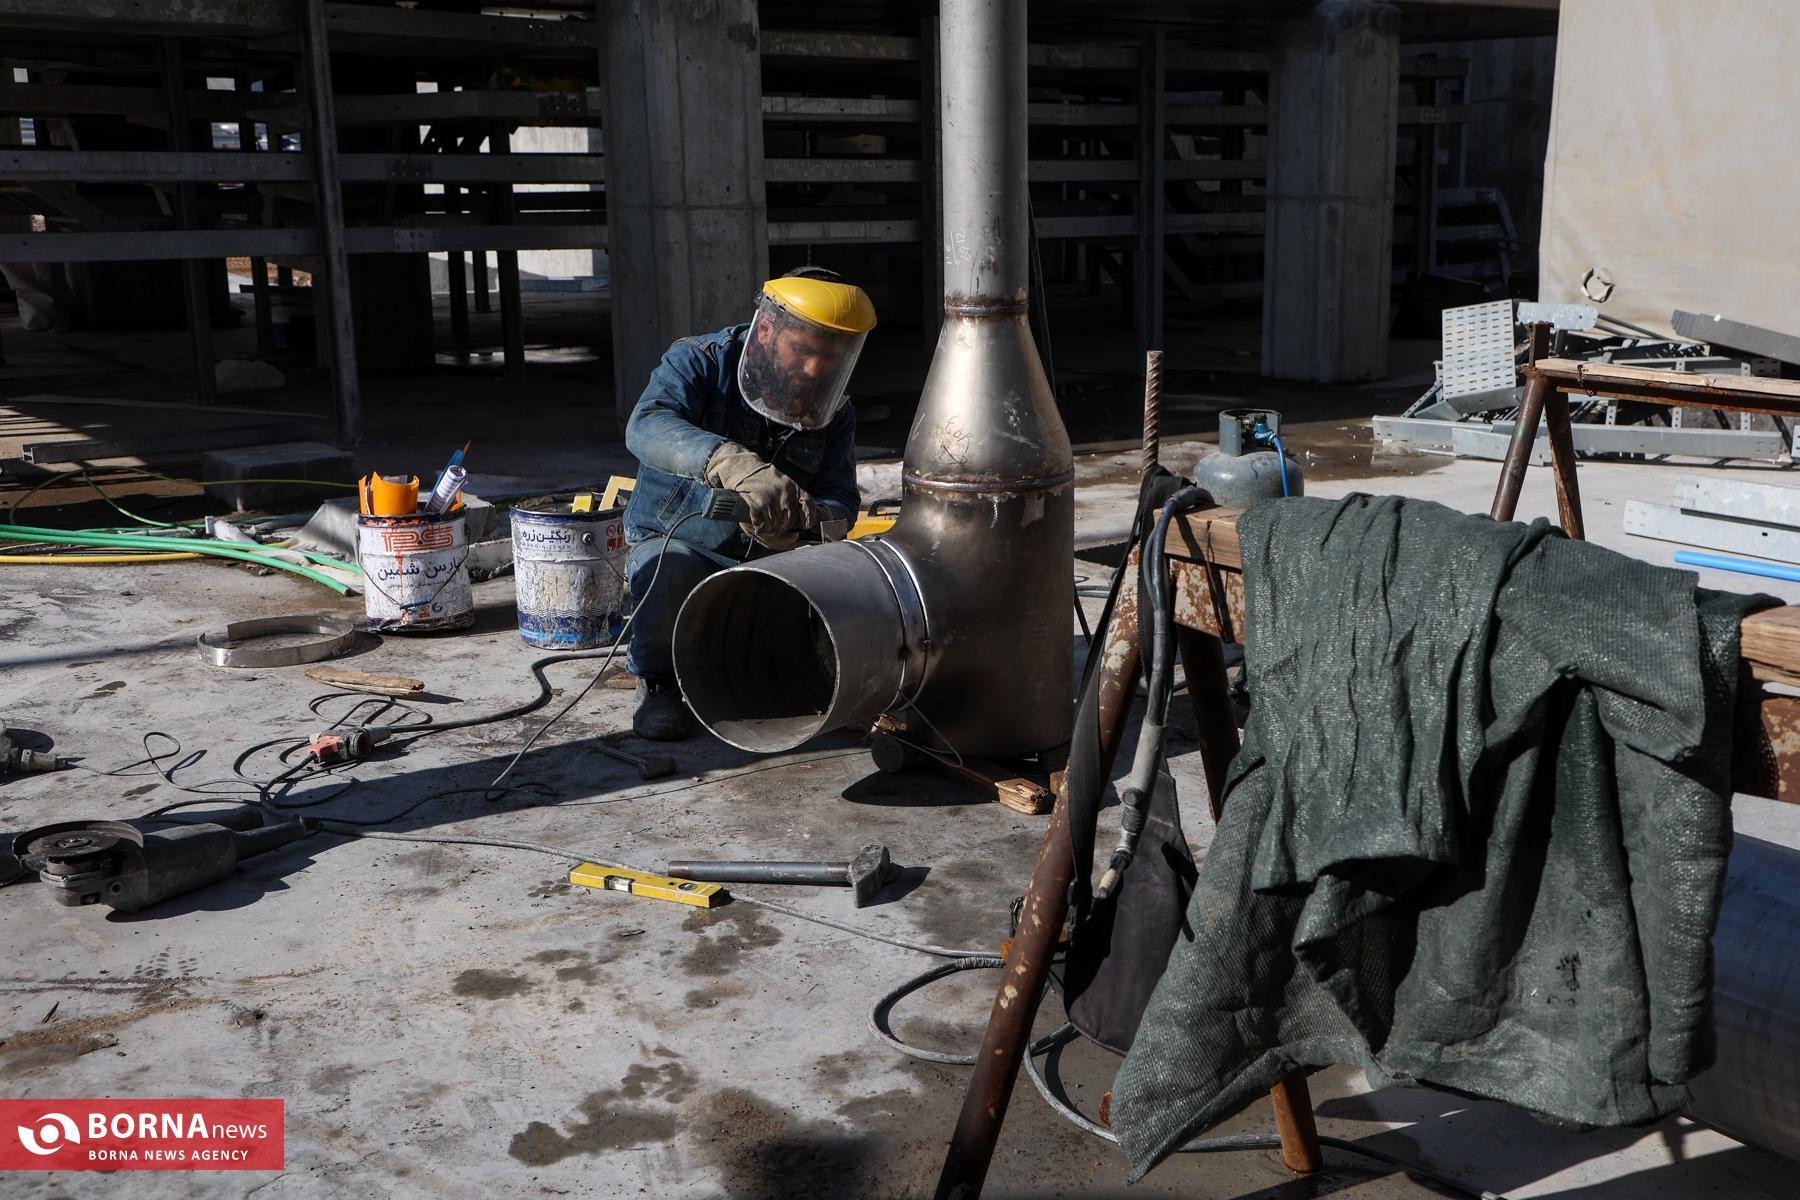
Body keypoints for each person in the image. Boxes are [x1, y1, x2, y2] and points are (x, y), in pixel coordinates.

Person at [620, 267, 876, 740]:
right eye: (803, 349)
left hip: (768, 558)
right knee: (667, 568)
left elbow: (841, 498)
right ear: (766, 329)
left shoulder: (834, 411)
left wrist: (811, 520)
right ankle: (659, 683)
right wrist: (729, 461)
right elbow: (645, 425)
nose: (815, 369)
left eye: (830, 356)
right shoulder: (698, 362)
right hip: (678, 541)